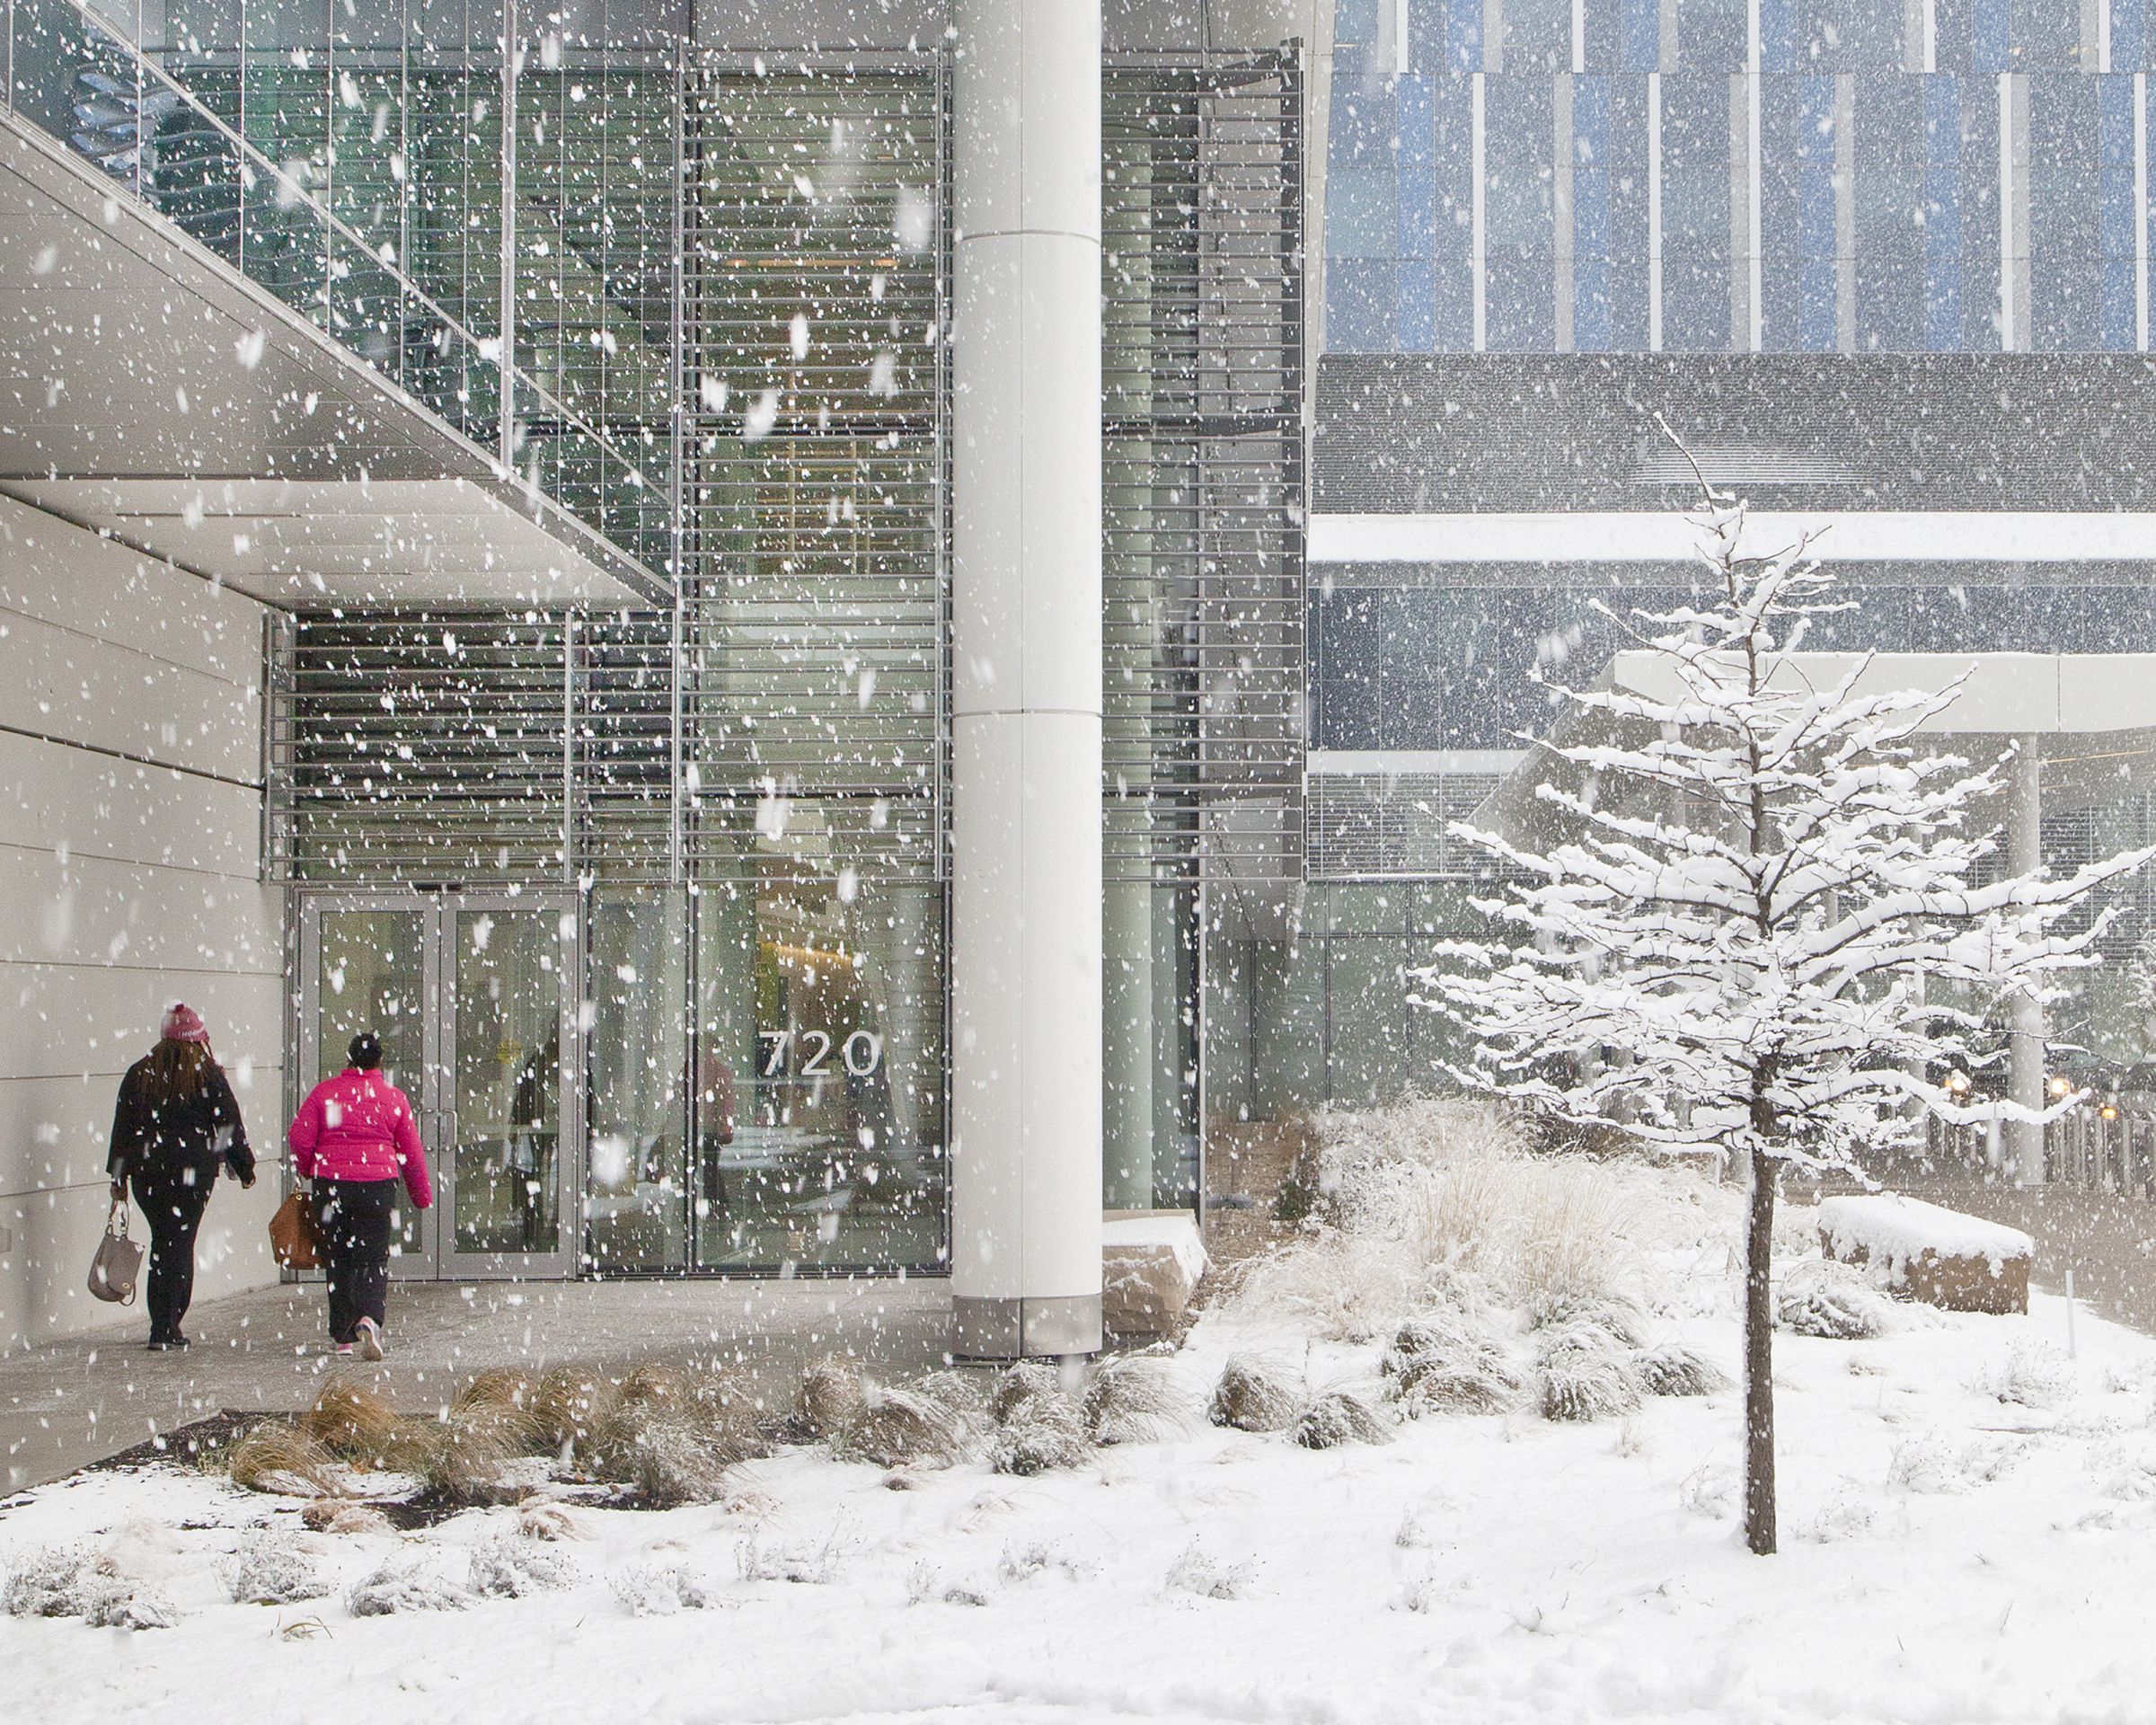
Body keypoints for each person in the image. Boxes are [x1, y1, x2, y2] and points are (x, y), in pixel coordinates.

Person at [106, 1003, 256, 1350]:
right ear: (197, 1038)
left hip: (148, 1174)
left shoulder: (140, 1073)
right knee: (180, 1242)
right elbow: (228, 1125)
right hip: (193, 1175)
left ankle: (162, 1323)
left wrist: (118, 1175)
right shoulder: (207, 1074)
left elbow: (122, 1129)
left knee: (163, 1238)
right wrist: (244, 1166)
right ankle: (168, 1323)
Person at [287, 1031, 432, 1360]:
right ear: (380, 1061)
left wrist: (309, 1167)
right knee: (371, 1257)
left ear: (349, 1058)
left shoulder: (325, 1093)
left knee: (337, 1258)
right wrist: (420, 1194)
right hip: (377, 1185)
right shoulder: (393, 1098)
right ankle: (370, 1318)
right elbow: (411, 1151)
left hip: (332, 1183)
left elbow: (299, 1137)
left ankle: (342, 1336)